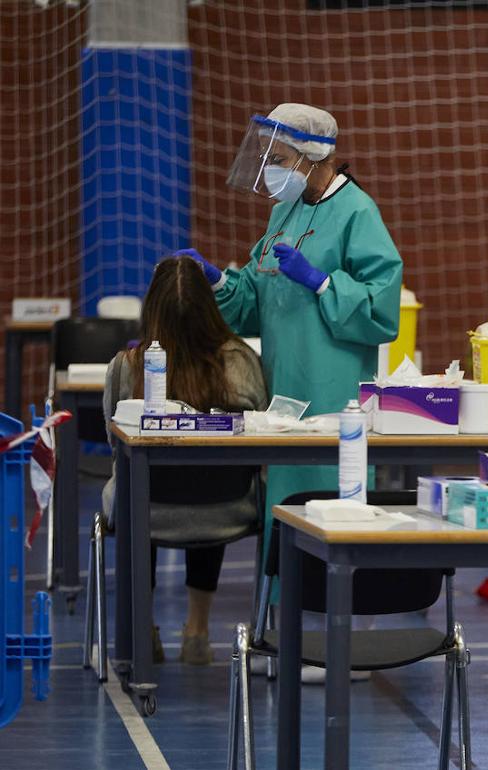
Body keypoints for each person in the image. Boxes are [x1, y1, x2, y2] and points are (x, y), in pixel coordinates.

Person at [177, 103, 403, 526]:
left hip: (333, 399)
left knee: (326, 512)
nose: (269, 170)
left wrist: (322, 282)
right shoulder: (284, 212)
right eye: (265, 159)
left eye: (277, 159)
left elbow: (382, 307)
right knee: (284, 514)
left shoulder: (357, 211)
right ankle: (282, 595)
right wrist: (218, 282)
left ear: (314, 155)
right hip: (281, 399)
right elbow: (255, 302)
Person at [103, 257, 268, 665]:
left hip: (146, 510)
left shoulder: (126, 367)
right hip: (231, 510)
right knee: (211, 474)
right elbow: (262, 436)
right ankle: (197, 629)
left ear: (152, 309)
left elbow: (114, 442)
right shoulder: (243, 362)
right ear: (210, 308)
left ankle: (143, 626)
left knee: (139, 483)